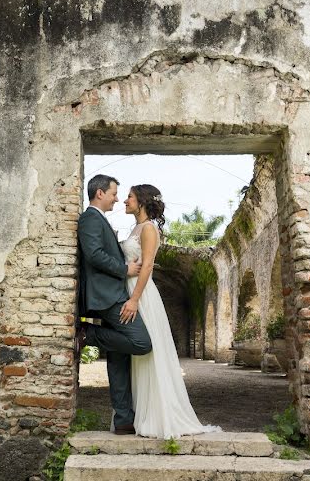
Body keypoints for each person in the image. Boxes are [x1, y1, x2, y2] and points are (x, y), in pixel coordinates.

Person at [120, 183, 221, 439]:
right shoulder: (135, 227)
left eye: (129, 196)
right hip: (130, 289)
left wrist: (134, 299)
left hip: (141, 294)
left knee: (149, 352)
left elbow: (148, 266)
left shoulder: (149, 228)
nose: (125, 200)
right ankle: (140, 413)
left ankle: (159, 416)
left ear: (141, 201)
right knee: (136, 354)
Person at [77, 174, 152, 435]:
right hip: (108, 296)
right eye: (113, 193)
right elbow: (94, 255)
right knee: (142, 342)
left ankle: (123, 420)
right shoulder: (90, 218)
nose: (117, 198)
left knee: (119, 359)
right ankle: (88, 333)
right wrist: (124, 269)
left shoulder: (100, 219)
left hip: (111, 292)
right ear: (100, 193)